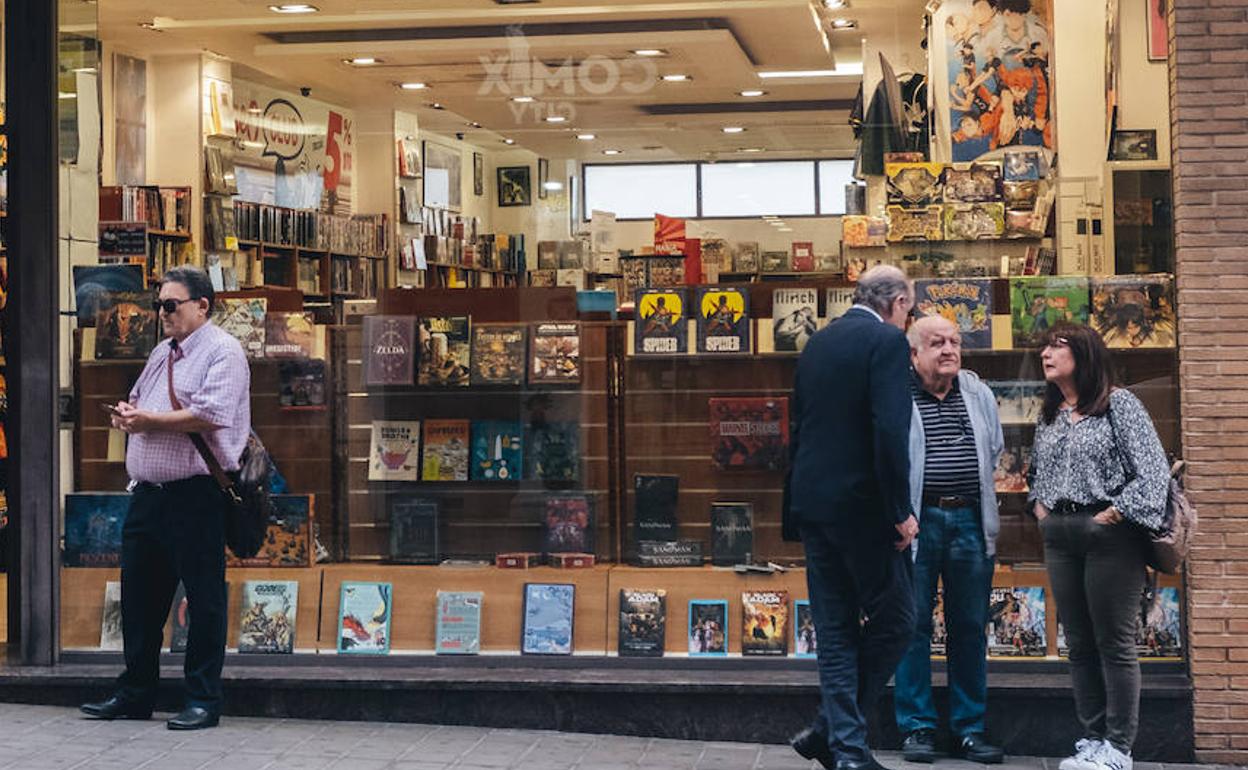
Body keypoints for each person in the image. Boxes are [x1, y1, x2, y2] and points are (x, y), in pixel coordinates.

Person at [80, 265, 252, 731]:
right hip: (148, 496)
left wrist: (148, 421)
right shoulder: (161, 352)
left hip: (195, 495)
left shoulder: (224, 352)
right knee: (139, 600)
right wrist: (127, 416)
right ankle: (136, 692)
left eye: (170, 305)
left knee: (203, 599)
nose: (162, 313)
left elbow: (211, 414)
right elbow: (141, 399)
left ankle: (202, 699)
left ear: (202, 306)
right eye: (159, 305)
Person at [783, 265, 919, 770]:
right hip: (863, 508)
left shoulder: (817, 343)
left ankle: (843, 746)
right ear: (899, 303)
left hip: (814, 504)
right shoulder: (885, 342)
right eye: (909, 308)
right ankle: (836, 735)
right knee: (899, 620)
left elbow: (801, 427)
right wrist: (900, 512)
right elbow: (890, 431)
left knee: (837, 629)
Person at [1029, 323, 1169, 770]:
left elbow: (1152, 472)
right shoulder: (1049, 412)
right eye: (1045, 347)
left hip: (1110, 535)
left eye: (1058, 346)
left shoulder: (1119, 404)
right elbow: (1036, 471)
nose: (1047, 354)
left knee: (1115, 643)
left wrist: (1115, 512)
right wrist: (1041, 510)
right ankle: (1092, 738)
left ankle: (1119, 748)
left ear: (1084, 355)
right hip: (1061, 534)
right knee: (1080, 643)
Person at [893, 316, 1005, 765]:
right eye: (936, 342)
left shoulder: (978, 393)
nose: (948, 350)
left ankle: (969, 730)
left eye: (954, 341)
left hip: (970, 522)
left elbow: (994, 447)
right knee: (913, 626)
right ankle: (917, 728)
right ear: (914, 353)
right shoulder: (896, 396)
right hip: (917, 524)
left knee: (970, 627)